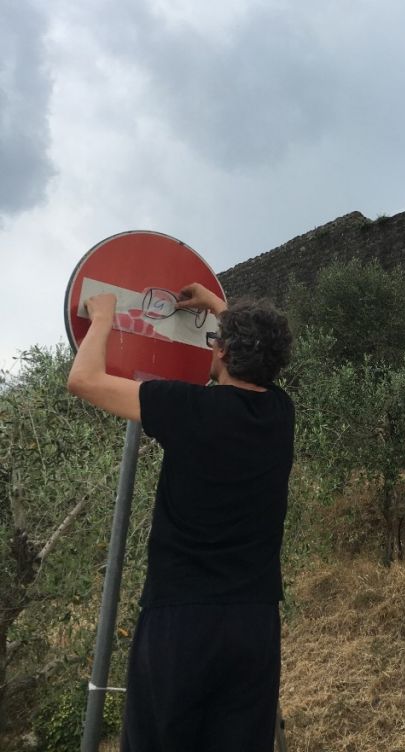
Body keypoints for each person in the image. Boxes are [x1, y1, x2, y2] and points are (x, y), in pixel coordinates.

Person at [67, 282, 294, 752]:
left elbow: (83, 380)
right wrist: (219, 308)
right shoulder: (280, 413)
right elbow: (257, 353)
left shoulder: (185, 407)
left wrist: (104, 315)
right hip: (254, 622)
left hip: (181, 619)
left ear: (225, 350)